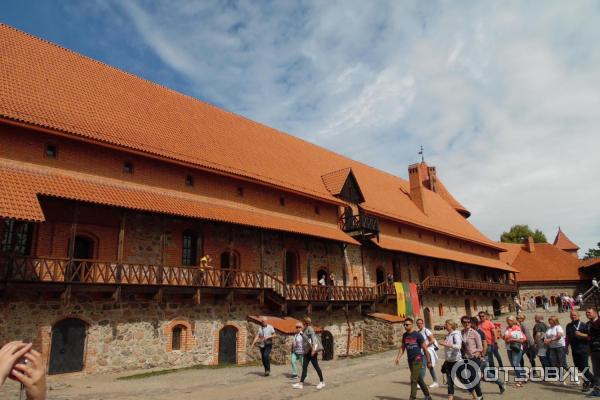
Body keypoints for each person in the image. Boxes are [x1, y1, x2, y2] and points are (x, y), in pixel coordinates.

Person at [395, 317, 432, 400]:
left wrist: (429, 361)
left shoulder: (418, 335)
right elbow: (403, 347)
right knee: (418, 378)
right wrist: (398, 357)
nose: (405, 326)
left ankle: (412, 397)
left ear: (412, 325)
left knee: (413, 379)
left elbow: (425, 348)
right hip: (410, 360)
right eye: (404, 324)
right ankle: (428, 395)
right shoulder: (405, 335)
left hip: (418, 359)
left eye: (407, 324)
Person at [471, 316, 505, 393]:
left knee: (485, 373)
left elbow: (485, 345)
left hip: (481, 356)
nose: (468, 324)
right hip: (474, 356)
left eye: (469, 323)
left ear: (473, 323)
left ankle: (500, 382)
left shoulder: (480, 332)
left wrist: (482, 355)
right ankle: (476, 391)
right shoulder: (471, 332)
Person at [292, 317, 325, 390]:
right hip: (307, 352)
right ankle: (301, 384)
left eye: (302, 323)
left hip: (311, 351)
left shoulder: (310, 329)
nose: (302, 324)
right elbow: (306, 340)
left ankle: (322, 382)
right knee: (304, 367)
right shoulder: (305, 329)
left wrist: (313, 350)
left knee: (316, 366)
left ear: (305, 323)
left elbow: (314, 339)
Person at [565, 310, 594, 391]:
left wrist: (581, 334)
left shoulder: (584, 325)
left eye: (574, 315)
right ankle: (593, 379)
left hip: (584, 348)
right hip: (574, 349)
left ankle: (587, 383)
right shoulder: (569, 325)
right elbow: (567, 337)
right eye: (571, 315)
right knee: (578, 366)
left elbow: (590, 337)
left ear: (578, 316)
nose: (573, 316)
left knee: (584, 366)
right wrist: (566, 347)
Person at [460, 316, 483, 399]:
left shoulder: (475, 333)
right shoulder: (461, 332)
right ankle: (476, 395)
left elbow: (480, 347)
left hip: (473, 358)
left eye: (468, 322)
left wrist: (476, 355)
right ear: (462, 323)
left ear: (470, 323)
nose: (467, 324)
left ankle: (480, 396)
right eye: (465, 322)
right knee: (469, 377)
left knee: (473, 377)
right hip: (465, 358)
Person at [439, 320, 462, 400]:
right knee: (450, 381)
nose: (445, 325)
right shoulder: (448, 335)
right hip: (449, 361)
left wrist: (445, 344)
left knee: (463, 379)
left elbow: (458, 346)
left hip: (456, 360)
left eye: (446, 324)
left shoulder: (455, 334)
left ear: (451, 325)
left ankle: (475, 395)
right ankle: (450, 398)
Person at [503, 315, 526, 387]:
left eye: (509, 320)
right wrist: (502, 336)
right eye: (507, 320)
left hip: (516, 348)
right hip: (509, 348)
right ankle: (523, 376)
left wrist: (512, 339)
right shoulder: (507, 328)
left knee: (515, 363)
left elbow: (522, 340)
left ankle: (520, 380)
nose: (507, 322)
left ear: (513, 321)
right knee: (513, 364)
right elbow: (506, 338)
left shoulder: (517, 328)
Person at [416, 318, 439, 388]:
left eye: (420, 323)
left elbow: (432, 340)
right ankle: (436, 382)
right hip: (422, 351)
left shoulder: (426, 330)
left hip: (428, 350)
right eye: (418, 323)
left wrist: (425, 346)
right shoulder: (418, 332)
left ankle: (420, 383)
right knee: (430, 367)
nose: (419, 324)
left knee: (423, 366)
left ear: (423, 323)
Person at [544, 316, 568, 384]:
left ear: (555, 321)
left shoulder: (558, 327)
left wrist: (550, 340)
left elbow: (559, 336)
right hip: (552, 347)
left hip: (560, 346)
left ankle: (575, 376)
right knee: (555, 364)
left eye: (551, 320)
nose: (549, 321)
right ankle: (561, 379)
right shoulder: (549, 328)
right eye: (549, 320)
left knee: (563, 364)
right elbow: (546, 337)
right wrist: (545, 340)